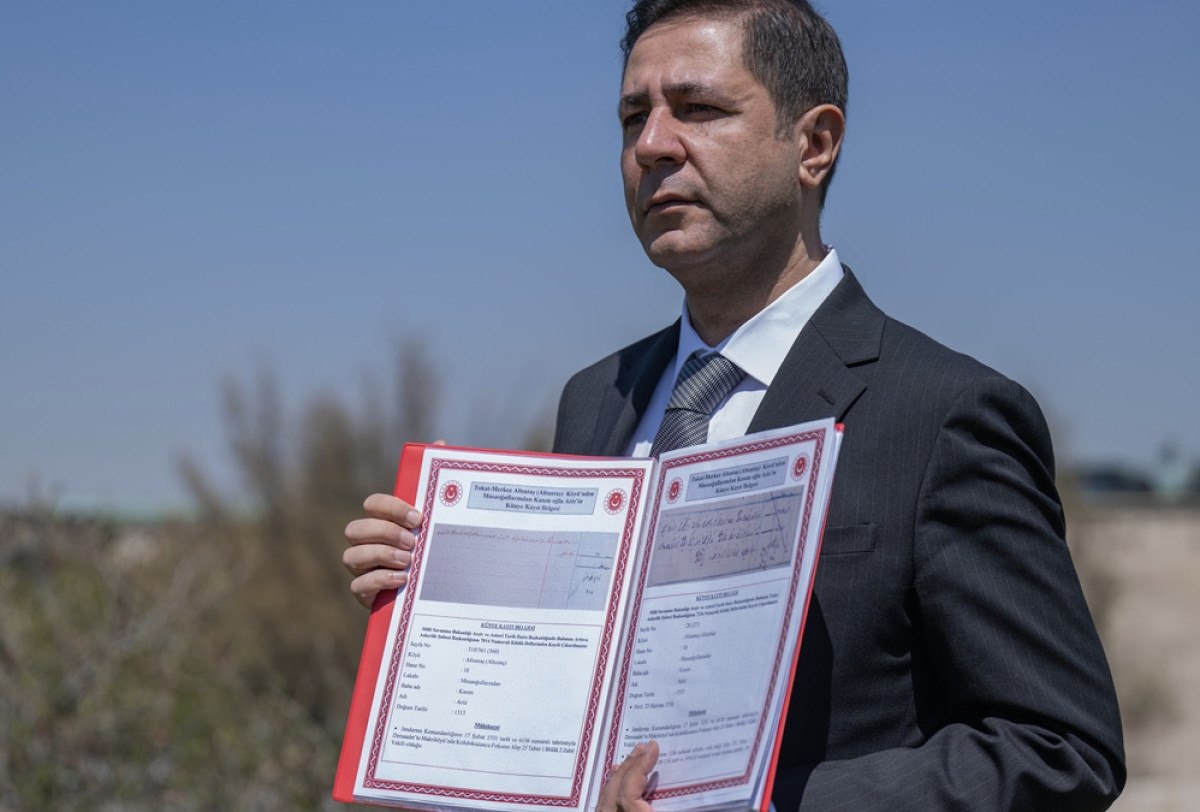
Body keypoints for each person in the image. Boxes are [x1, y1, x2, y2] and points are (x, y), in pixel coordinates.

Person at [343, 1, 1126, 809]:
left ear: (814, 145)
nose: (652, 145)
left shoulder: (943, 412)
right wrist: (428, 614)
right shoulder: (596, 398)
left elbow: (1060, 749)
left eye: (699, 108)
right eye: (633, 117)